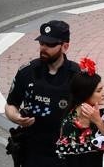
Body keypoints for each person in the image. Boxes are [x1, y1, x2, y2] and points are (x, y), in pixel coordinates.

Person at [5, 20, 79, 167]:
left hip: (66, 151)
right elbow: (11, 105)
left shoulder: (77, 75)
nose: (44, 48)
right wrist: (16, 117)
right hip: (33, 149)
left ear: (65, 47)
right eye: (42, 43)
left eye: (50, 45)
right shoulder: (26, 72)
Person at [55, 58, 104, 165]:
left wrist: (99, 122)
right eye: (99, 90)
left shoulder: (101, 115)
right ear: (85, 94)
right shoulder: (70, 124)